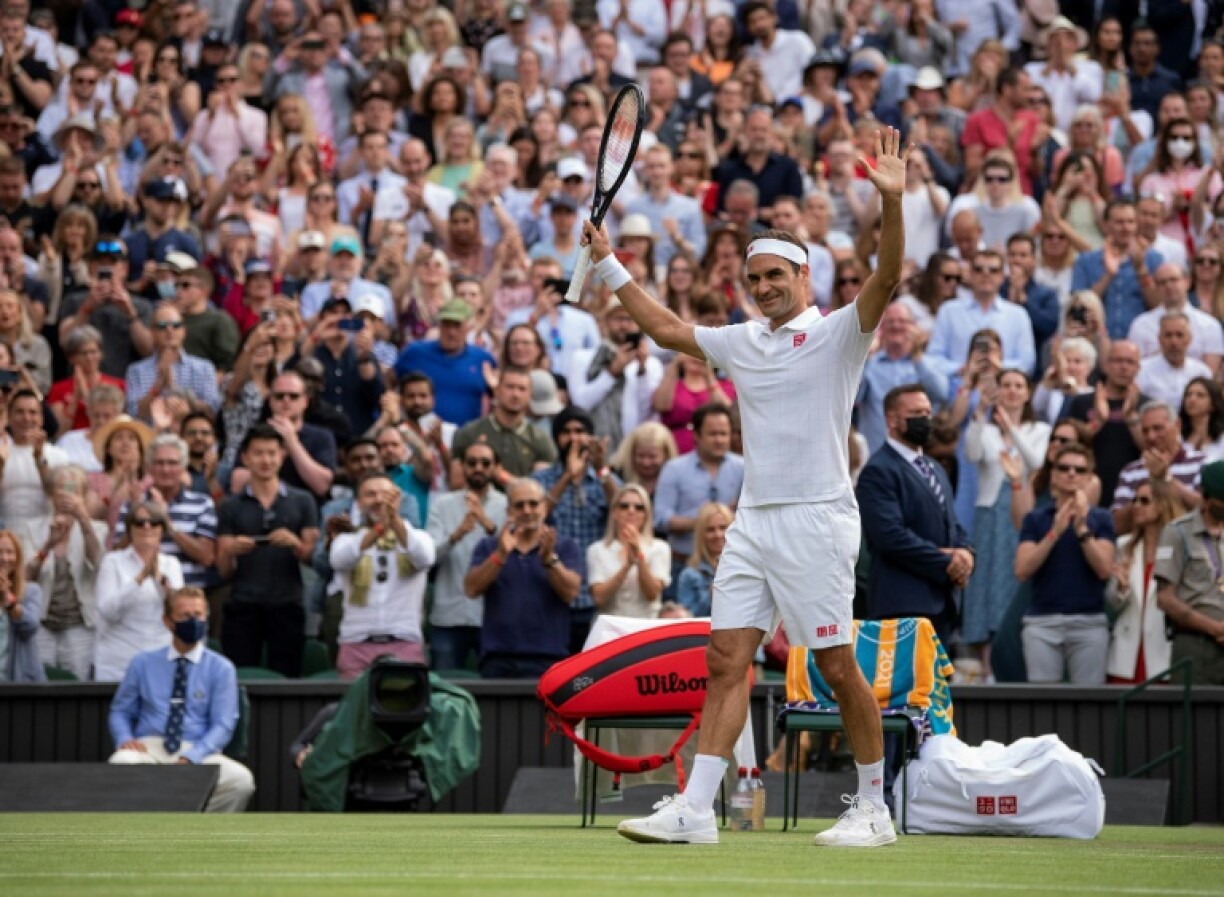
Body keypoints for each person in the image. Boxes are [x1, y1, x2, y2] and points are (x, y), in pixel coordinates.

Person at [605, 127, 910, 847]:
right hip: (753, 523)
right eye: (757, 277)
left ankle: (875, 806)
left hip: (817, 520)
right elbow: (668, 328)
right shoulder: (741, 339)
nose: (766, 286)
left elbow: (889, 276)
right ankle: (697, 809)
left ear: (804, 278)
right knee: (725, 661)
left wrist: (891, 204)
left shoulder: (839, 332)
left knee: (836, 665)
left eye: (778, 275)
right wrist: (610, 264)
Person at [108, 586, 255, 812]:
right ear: (168, 621)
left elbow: (224, 723)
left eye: (198, 615)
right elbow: (120, 711)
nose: (193, 621)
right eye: (185, 616)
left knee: (240, 781)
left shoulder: (221, 668)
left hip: (199, 750)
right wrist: (124, 737)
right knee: (121, 763)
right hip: (149, 748)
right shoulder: (142, 663)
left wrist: (192, 757)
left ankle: (201, 835)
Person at [857, 385, 972, 650]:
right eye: (917, 413)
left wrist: (966, 553)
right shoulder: (878, 470)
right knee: (906, 689)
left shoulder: (935, 468)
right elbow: (890, 537)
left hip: (941, 602)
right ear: (892, 420)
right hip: (902, 603)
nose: (926, 420)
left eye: (928, 412)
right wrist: (947, 560)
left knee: (935, 689)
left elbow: (952, 524)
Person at [216, 424, 319, 678]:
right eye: (259, 453)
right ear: (245, 458)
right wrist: (230, 550)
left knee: (288, 679)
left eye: (272, 453)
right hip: (242, 604)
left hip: (288, 604)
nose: (266, 460)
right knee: (238, 679)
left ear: (282, 456)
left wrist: (295, 544)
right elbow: (223, 570)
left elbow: (313, 559)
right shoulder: (230, 506)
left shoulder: (303, 500)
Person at [1015, 445, 1117, 685]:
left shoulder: (1101, 519)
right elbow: (1021, 570)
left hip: (1089, 623)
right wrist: (1054, 532)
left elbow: (1104, 569)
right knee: (1043, 705)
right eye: (1064, 468)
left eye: (1079, 469)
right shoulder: (1036, 519)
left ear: (1089, 478)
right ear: (1053, 474)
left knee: (1090, 705)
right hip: (1042, 623)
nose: (1071, 473)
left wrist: (1082, 530)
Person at [464, 477, 581, 678]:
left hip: (548, 658)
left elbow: (570, 593)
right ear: (509, 511)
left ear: (544, 507)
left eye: (533, 503)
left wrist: (549, 561)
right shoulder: (489, 546)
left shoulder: (564, 546)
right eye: (519, 505)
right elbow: (471, 589)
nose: (527, 510)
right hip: (497, 658)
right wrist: (500, 555)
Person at [329, 472, 436, 679]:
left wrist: (394, 521)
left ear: (398, 501)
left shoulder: (416, 537)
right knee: (355, 710)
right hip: (356, 643)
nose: (379, 500)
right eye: (370, 495)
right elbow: (340, 559)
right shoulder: (347, 540)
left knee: (404, 710)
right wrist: (379, 528)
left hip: (404, 643)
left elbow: (425, 558)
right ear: (359, 503)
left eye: (385, 495)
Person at [426, 441, 506, 671]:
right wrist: (456, 534)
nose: (478, 468)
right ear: (461, 466)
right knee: (444, 692)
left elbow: (514, 556)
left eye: (485, 463)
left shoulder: (507, 504)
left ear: (496, 467)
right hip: (449, 616)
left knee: (493, 698)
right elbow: (429, 557)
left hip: (491, 617)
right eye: (471, 463)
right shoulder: (442, 505)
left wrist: (487, 524)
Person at [653, 403, 745, 593]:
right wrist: (706, 521)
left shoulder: (743, 468)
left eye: (724, 434)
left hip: (731, 566)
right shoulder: (674, 469)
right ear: (696, 435)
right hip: (681, 564)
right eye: (713, 434)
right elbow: (660, 519)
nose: (719, 440)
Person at [28, 465, 105, 680]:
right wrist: (47, 546)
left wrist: (83, 520)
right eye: (61, 490)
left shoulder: (96, 529)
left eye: (74, 491)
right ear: (51, 494)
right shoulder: (32, 528)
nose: (67, 497)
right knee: (40, 682)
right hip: (42, 624)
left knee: (76, 683)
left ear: (82, 496)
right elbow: (25, 577)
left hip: (79, 625)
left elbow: (98, 563)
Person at [94, 502, 186, 682]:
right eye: (139, 522)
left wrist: (161, 582)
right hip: (119, 662)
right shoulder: (112, 562)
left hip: (162, 658)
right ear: (129, 529)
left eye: (154, 522)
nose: (147, 526)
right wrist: (139, 579)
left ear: (162, 529)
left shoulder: (172, 564)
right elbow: (107, 612)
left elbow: (179, 612)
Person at [114, 435, 217, 592]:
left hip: (188, 597)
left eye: (172, 463)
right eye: (159, 463)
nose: (165, 469)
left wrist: (165, 522)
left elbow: (206, 556)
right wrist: (138, 518)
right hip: (139, 593)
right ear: (149, 468)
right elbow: (116, 555)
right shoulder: (132, 505)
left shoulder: (202, 503)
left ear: (183, 467)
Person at [1106, 481, 1184, 685]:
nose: (1136, 506)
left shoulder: (1180, 550)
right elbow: (1111, 606)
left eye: (1144, 500)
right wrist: (1121, 588)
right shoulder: (1122, 546)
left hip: (1162, 653)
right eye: (1134, 500)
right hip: (1125, 655)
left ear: (1163, 505)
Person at [1153, 460, 1224, 686]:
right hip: (1196, 642)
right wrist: (1215, 628)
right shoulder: (1177, 533)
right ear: (1204, 497)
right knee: (1194, 718)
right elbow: (1165, 598)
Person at [856, 302, 949, 455]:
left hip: (916, 453)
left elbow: (941, 394)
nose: (896, 326)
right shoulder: (871, 363)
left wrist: (918, 358)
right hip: (875, 453)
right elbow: (854, 398)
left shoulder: (925, 363)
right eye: (890, 322)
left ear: (913, 326)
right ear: (882, 328)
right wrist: (864, 357)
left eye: (902, 321)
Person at [927, 248, 1037, 378]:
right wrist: (961, 368)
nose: (986, 274)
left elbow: (1027, 362)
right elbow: (933, 358)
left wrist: (998, 366)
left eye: (993, 270)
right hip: (958, 387)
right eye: (979, 269)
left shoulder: (1018, 315)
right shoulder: (949, 311)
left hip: (1002, 389)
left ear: (1002, 277)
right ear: (970, 274)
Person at [1063, 341, 1146, 506]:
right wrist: (1098, 422)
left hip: (1131, 493)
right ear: (1106, 365)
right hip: (1087, 489)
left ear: (1138, 368)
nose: (1123, 367)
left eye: (1130, 362)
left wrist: (1130, 417)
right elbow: (1069, 447)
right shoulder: (1082, 403)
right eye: (1118, 361)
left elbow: (1151, 449)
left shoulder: (1146, 406)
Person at [393, 298, 496, 427]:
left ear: (468, 327)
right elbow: (390, 381)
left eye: (457, 325)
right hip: (420, 436)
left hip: (466, 438)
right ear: (439, 325)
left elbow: (496, 397)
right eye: (446, 324)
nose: (451, 332)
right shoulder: (415, 353)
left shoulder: (483, 359)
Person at [1112, 401, 1205, 537]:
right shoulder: (1131, 471)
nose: (1151, 436)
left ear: (1177, 425)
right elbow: (1116, 526)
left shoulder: (1201, 463)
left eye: (1158, 428)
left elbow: (1207, 510)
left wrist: (1166, 479)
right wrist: (1144, 497)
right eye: (1145, 430)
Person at [451, 367, 557, 484]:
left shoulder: (540, 439)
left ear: (529, 395)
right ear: (497, 390)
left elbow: (542, 488)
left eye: (522, 389)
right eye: (510, 387)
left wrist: (503, 477)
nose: (515, 394)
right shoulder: (469, 433)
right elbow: (456, 483)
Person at [125, 303, 221, 421]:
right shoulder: (136, 370)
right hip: (151, 436)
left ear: (184, 331)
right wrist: (158, 387)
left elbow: (212, 410)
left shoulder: (204, 368)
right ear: (152, 332)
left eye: (176, 325)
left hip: (189, 435)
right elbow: (133, 413)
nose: (170, 330)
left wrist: (184, 402)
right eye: (162, 326)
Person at [588, 484, 670, 618]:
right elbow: (599, 598)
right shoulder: (597, 550)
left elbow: (652, 594)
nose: (631, 511)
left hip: (646, 626)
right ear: (614, 512)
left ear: (646, 514)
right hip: (610, 628)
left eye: (639, 507)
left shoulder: (660, 548)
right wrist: (626, 566)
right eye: (624, 506)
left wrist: (639, 556)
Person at [1128, 264, 1224, 372]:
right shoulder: (1141, 325)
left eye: (1173, 280)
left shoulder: (1210, 325)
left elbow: (1210, 374)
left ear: (1187, 282)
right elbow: (1135, 368)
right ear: (1156, 287)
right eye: (1162, 282)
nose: (1168, 286)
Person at [1135, 312, 1214, 411]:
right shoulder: (1142, 370)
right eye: (1168, 335)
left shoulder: (1202, 372)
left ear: (1189, 339)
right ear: (1159, 339)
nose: (1174, 342)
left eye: (1179, 335)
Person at [0, 529, 45, 681]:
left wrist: (8, 598)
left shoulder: (31, 591)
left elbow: (30, 626)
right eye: (0, 552)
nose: (4, 558)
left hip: (19, 685)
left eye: (10, 552)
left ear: (18, 558)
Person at [675, 502, 733, 618]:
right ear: (701, 535)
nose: (718, 534)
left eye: (723, 527)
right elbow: (687, 621)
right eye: (710, 530)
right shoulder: (688, 576)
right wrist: (711, 595)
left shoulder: (745, 568)